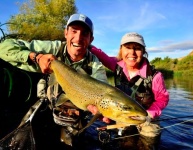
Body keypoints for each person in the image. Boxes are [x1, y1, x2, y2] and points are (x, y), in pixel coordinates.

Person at [0, 13, 114, 150]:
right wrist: (36, 57)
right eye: (74, 31)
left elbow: (104, 89)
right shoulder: (53, 48)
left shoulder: (95, 65)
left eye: (84, 33)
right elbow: (3, 46)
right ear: (65, 33)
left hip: (74, 118)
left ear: (91, 39)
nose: (78, 38)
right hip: (46, 109)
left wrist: (101, 111)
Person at [89, 32, 170, 150]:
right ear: (121, 50)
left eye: (137, 48)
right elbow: (101, 55)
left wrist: (150, 113)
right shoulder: (116, 66)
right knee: (126, 144)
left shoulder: (155, 76)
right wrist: (86, 44)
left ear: (143, 51)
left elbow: (163, 98)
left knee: (148, 144)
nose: (132, 53)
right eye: (128, 47)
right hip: (124, 115)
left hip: (147, 117)